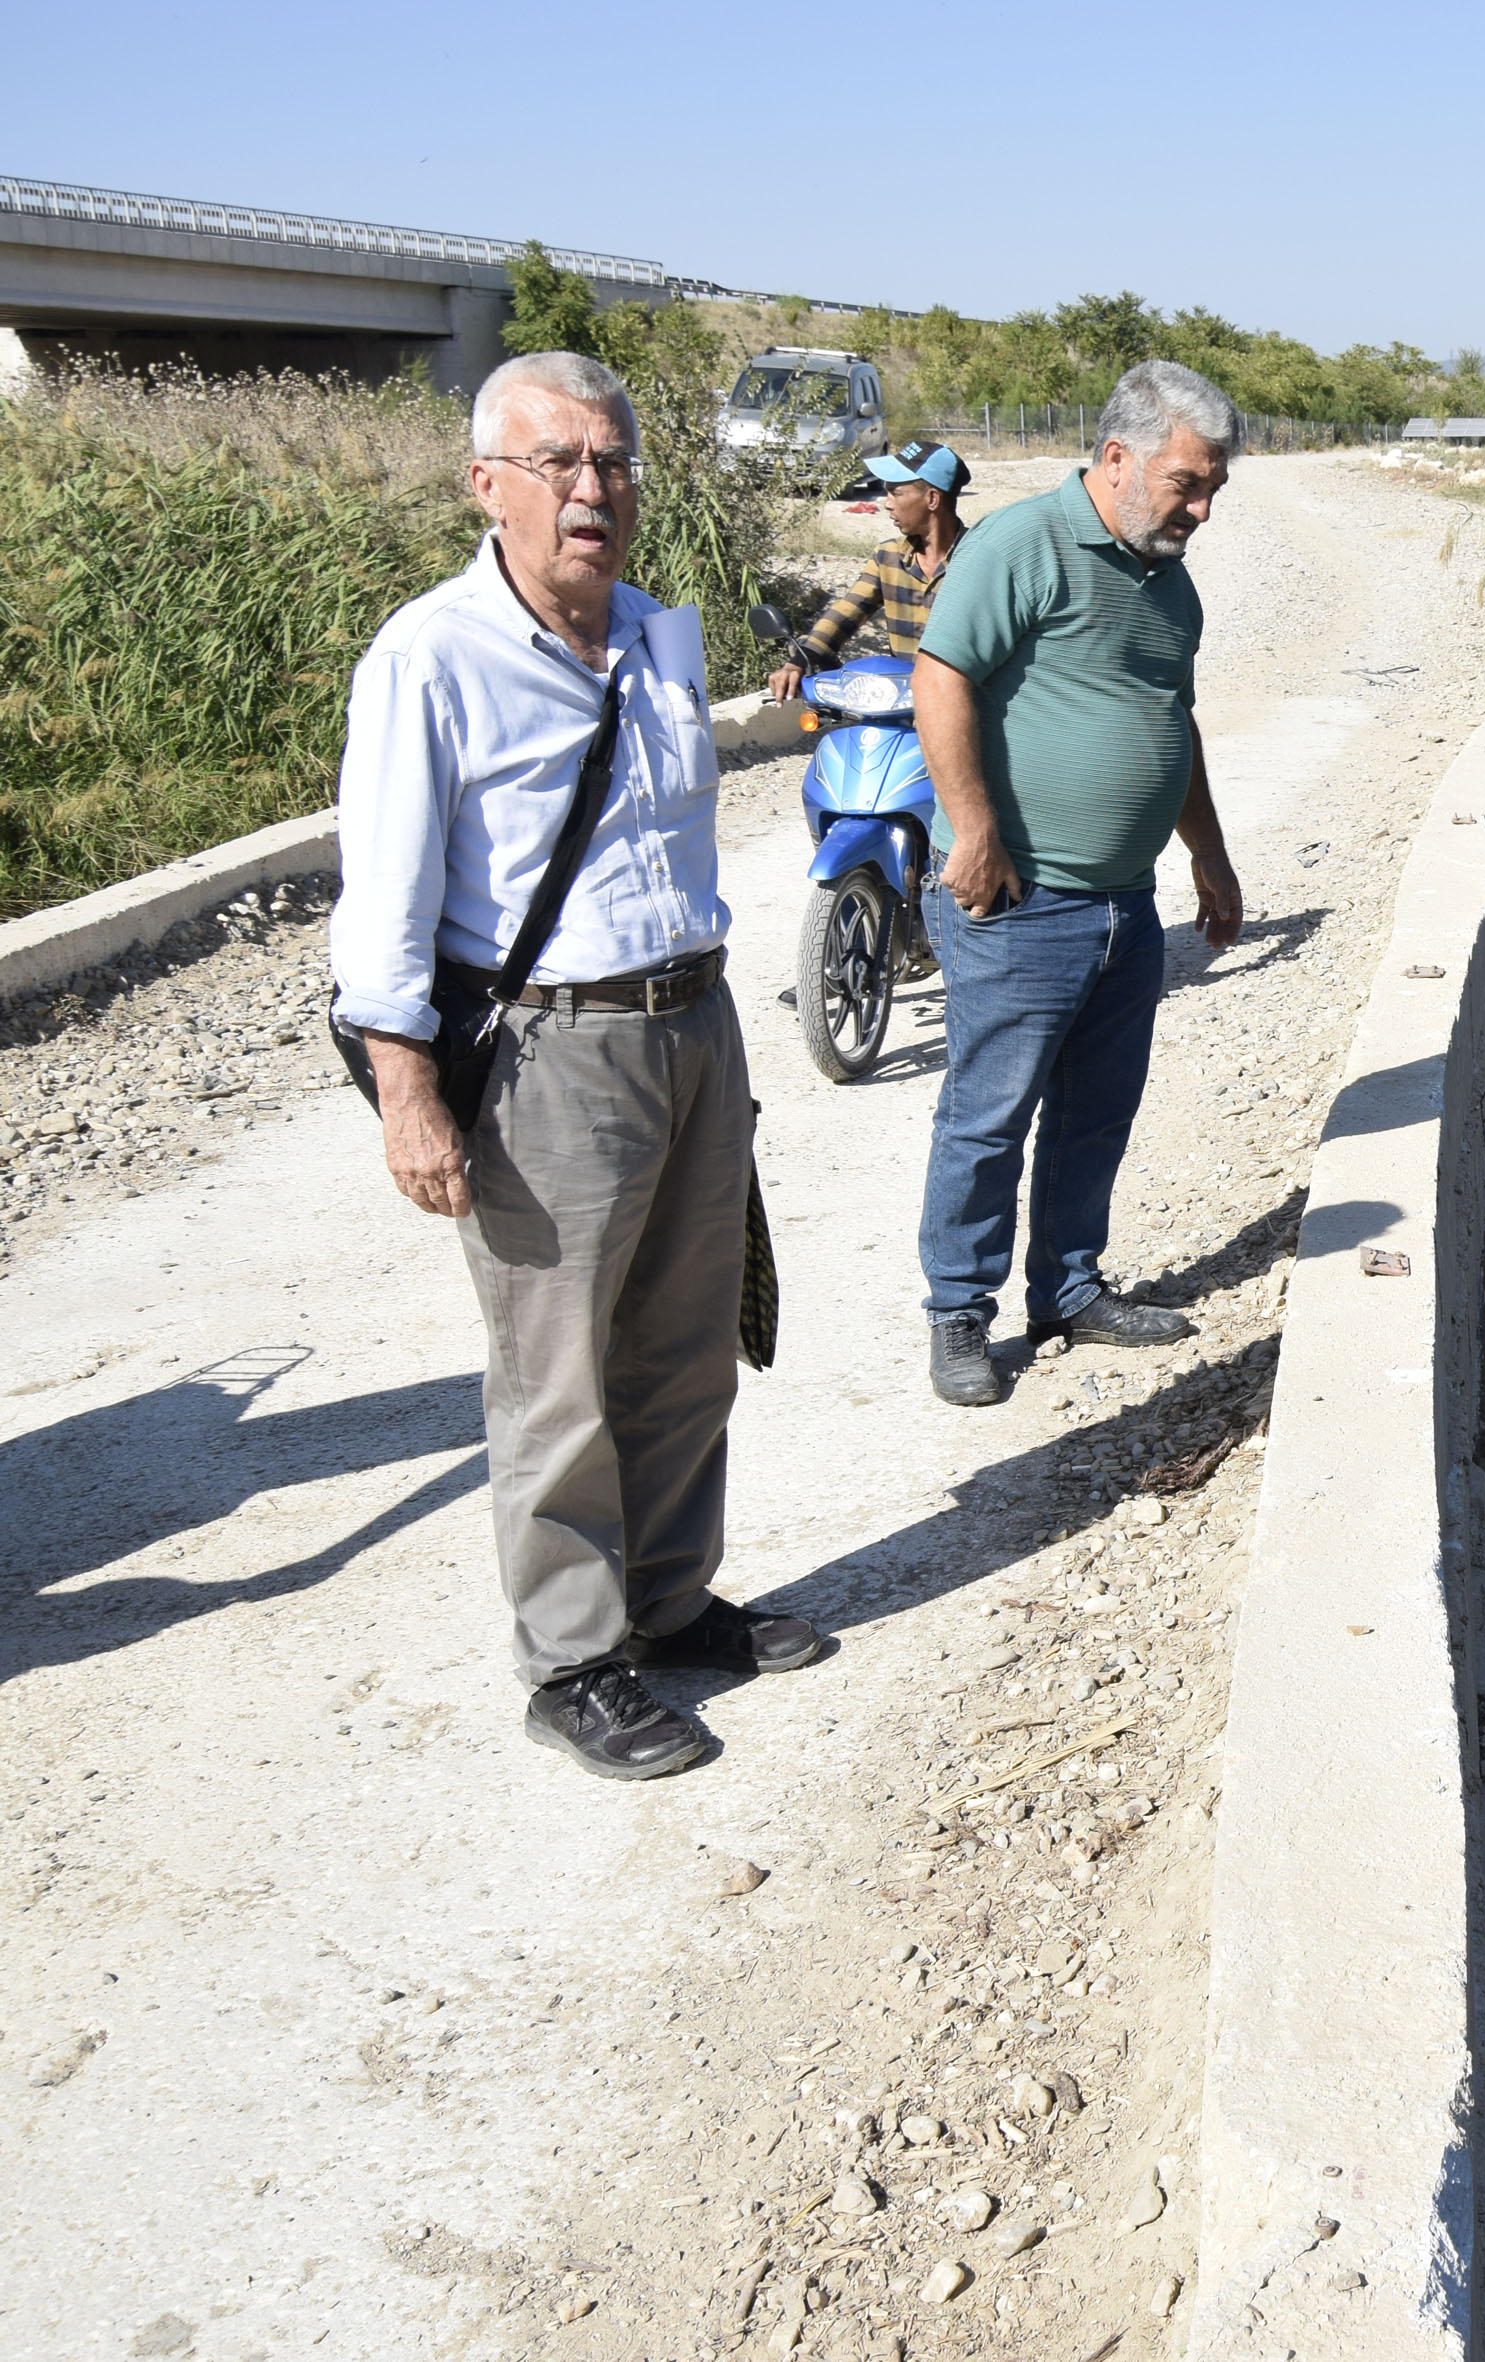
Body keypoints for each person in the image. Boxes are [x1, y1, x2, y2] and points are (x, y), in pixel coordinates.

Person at [329, 348, 821, 1782]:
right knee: (558, 1375)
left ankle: (667, 1604)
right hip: (548, 1052)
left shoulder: (664, 635)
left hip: (692, 1023)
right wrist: (409, 1095)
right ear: (488, 485)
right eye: (558, 464)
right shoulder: (429, 655)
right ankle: (571, 1658)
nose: (592, 488)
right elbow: (386, 899)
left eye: (612, 461)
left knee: (682, 1347)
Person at [908, 359, 1246, 1407]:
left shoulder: (1169, 586)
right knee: (990, 1115)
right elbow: (943, 675)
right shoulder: (1023, 545)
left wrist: (1209, 851)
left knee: (1097, 1112)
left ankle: (1065, 1288)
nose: (1199, 508)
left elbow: (1171, 725)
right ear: (1116, 458)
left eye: (1212, 491)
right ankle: (960, 1312)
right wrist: (973, 831)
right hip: (1019, 901)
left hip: (1124, 903)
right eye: (1187, 484)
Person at [763, 437, 969, 705]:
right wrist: (799, 661)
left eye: (896, 492)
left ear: (932, 498)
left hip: (963, 706)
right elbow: (846, 612)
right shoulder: (888, 557)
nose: (887, 503)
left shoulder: (976, 560)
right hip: (904, 704)